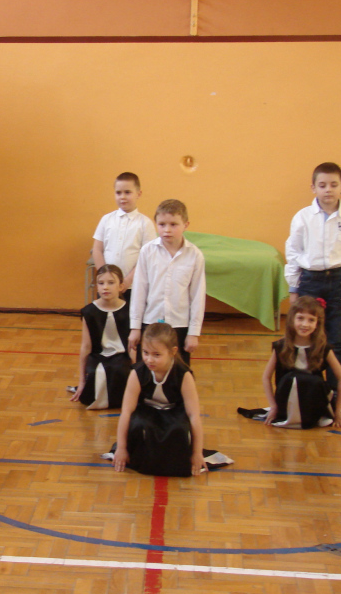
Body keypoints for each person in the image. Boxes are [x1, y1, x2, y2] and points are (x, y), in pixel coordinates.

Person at [284, 162, 341, 390]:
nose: (328, 190)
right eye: (322, 185)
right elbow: (293, 253)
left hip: (339, 283)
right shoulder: (303, 217)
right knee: (305, 338)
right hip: (309, 283)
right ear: (313, 188)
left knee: (337, 340)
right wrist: (293, 288)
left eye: (334, 185)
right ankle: (308, 391)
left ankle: (332, 394)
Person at [107, 323, 232, 476]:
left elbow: (193, 415)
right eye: (145, 353)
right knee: (140, 426)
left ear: (173, 352)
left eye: (156, 355)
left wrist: (197, 453)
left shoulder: (184, 375)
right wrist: (121, 448)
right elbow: (126, 412)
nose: (149, 359)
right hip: (147, 412)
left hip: (174, 413)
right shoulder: (137, 373)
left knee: (178, 430)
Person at [238, 296, 341, 429]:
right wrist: (274, 406)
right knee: (292, 379)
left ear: (318, 323)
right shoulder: (281, 346)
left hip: (314, 402)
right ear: (292, 319)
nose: (305, 324)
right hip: (287, 404)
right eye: (300, 318)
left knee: (313, 381)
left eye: (311, 320)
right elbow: (266, 377)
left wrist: (337, 411)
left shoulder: (322, 347)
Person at [128, 199, 205, 366]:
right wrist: (135, 327)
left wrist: (194, 333)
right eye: (162, 224)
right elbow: (139, 291)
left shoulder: (195, 255)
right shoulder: (147, 251)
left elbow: (197, 296)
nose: (167, 230)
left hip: (179, 325)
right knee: (146, 370)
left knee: (178, 371)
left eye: (173, 224)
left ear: (186, 225)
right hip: (150, 322)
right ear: (156, 224)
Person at [70, 264, 131, 409]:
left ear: (121, 286)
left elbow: (133, 347)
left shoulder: (129, 310)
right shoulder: (89, 312)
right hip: (98, 356)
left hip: (122, 356)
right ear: (97, 287)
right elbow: (86, 347)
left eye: (111, 283)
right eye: (101, 283)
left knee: (120, 370)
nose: (105, 287)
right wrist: (82, 381)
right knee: (96, 372)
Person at [92, 172, 156, 301]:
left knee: (129, 314)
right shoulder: (106, 220)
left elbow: (147, 257)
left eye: (127, 192)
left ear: (138, 194)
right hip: (107, 287)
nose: (122, 197)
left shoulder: (145, 223)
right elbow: (97, 250)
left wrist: (128, 280)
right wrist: (105, 278)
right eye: (118, 193)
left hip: (133, 286)